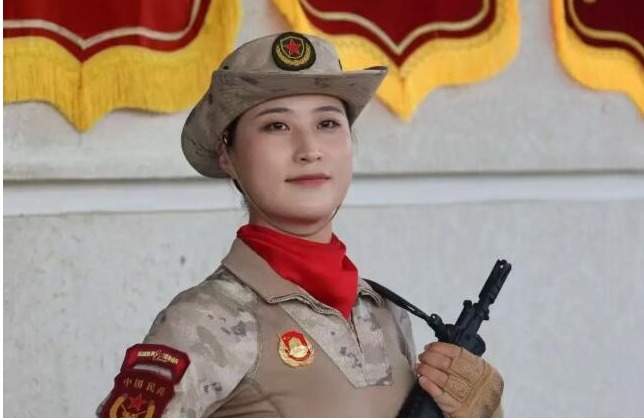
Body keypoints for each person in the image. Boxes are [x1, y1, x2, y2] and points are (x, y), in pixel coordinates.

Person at [97, 32, 504, 418]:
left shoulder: (385, 314)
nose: (309, 150)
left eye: (327, 124)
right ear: (227, 155)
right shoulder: (204, 320)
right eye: (276, 126)